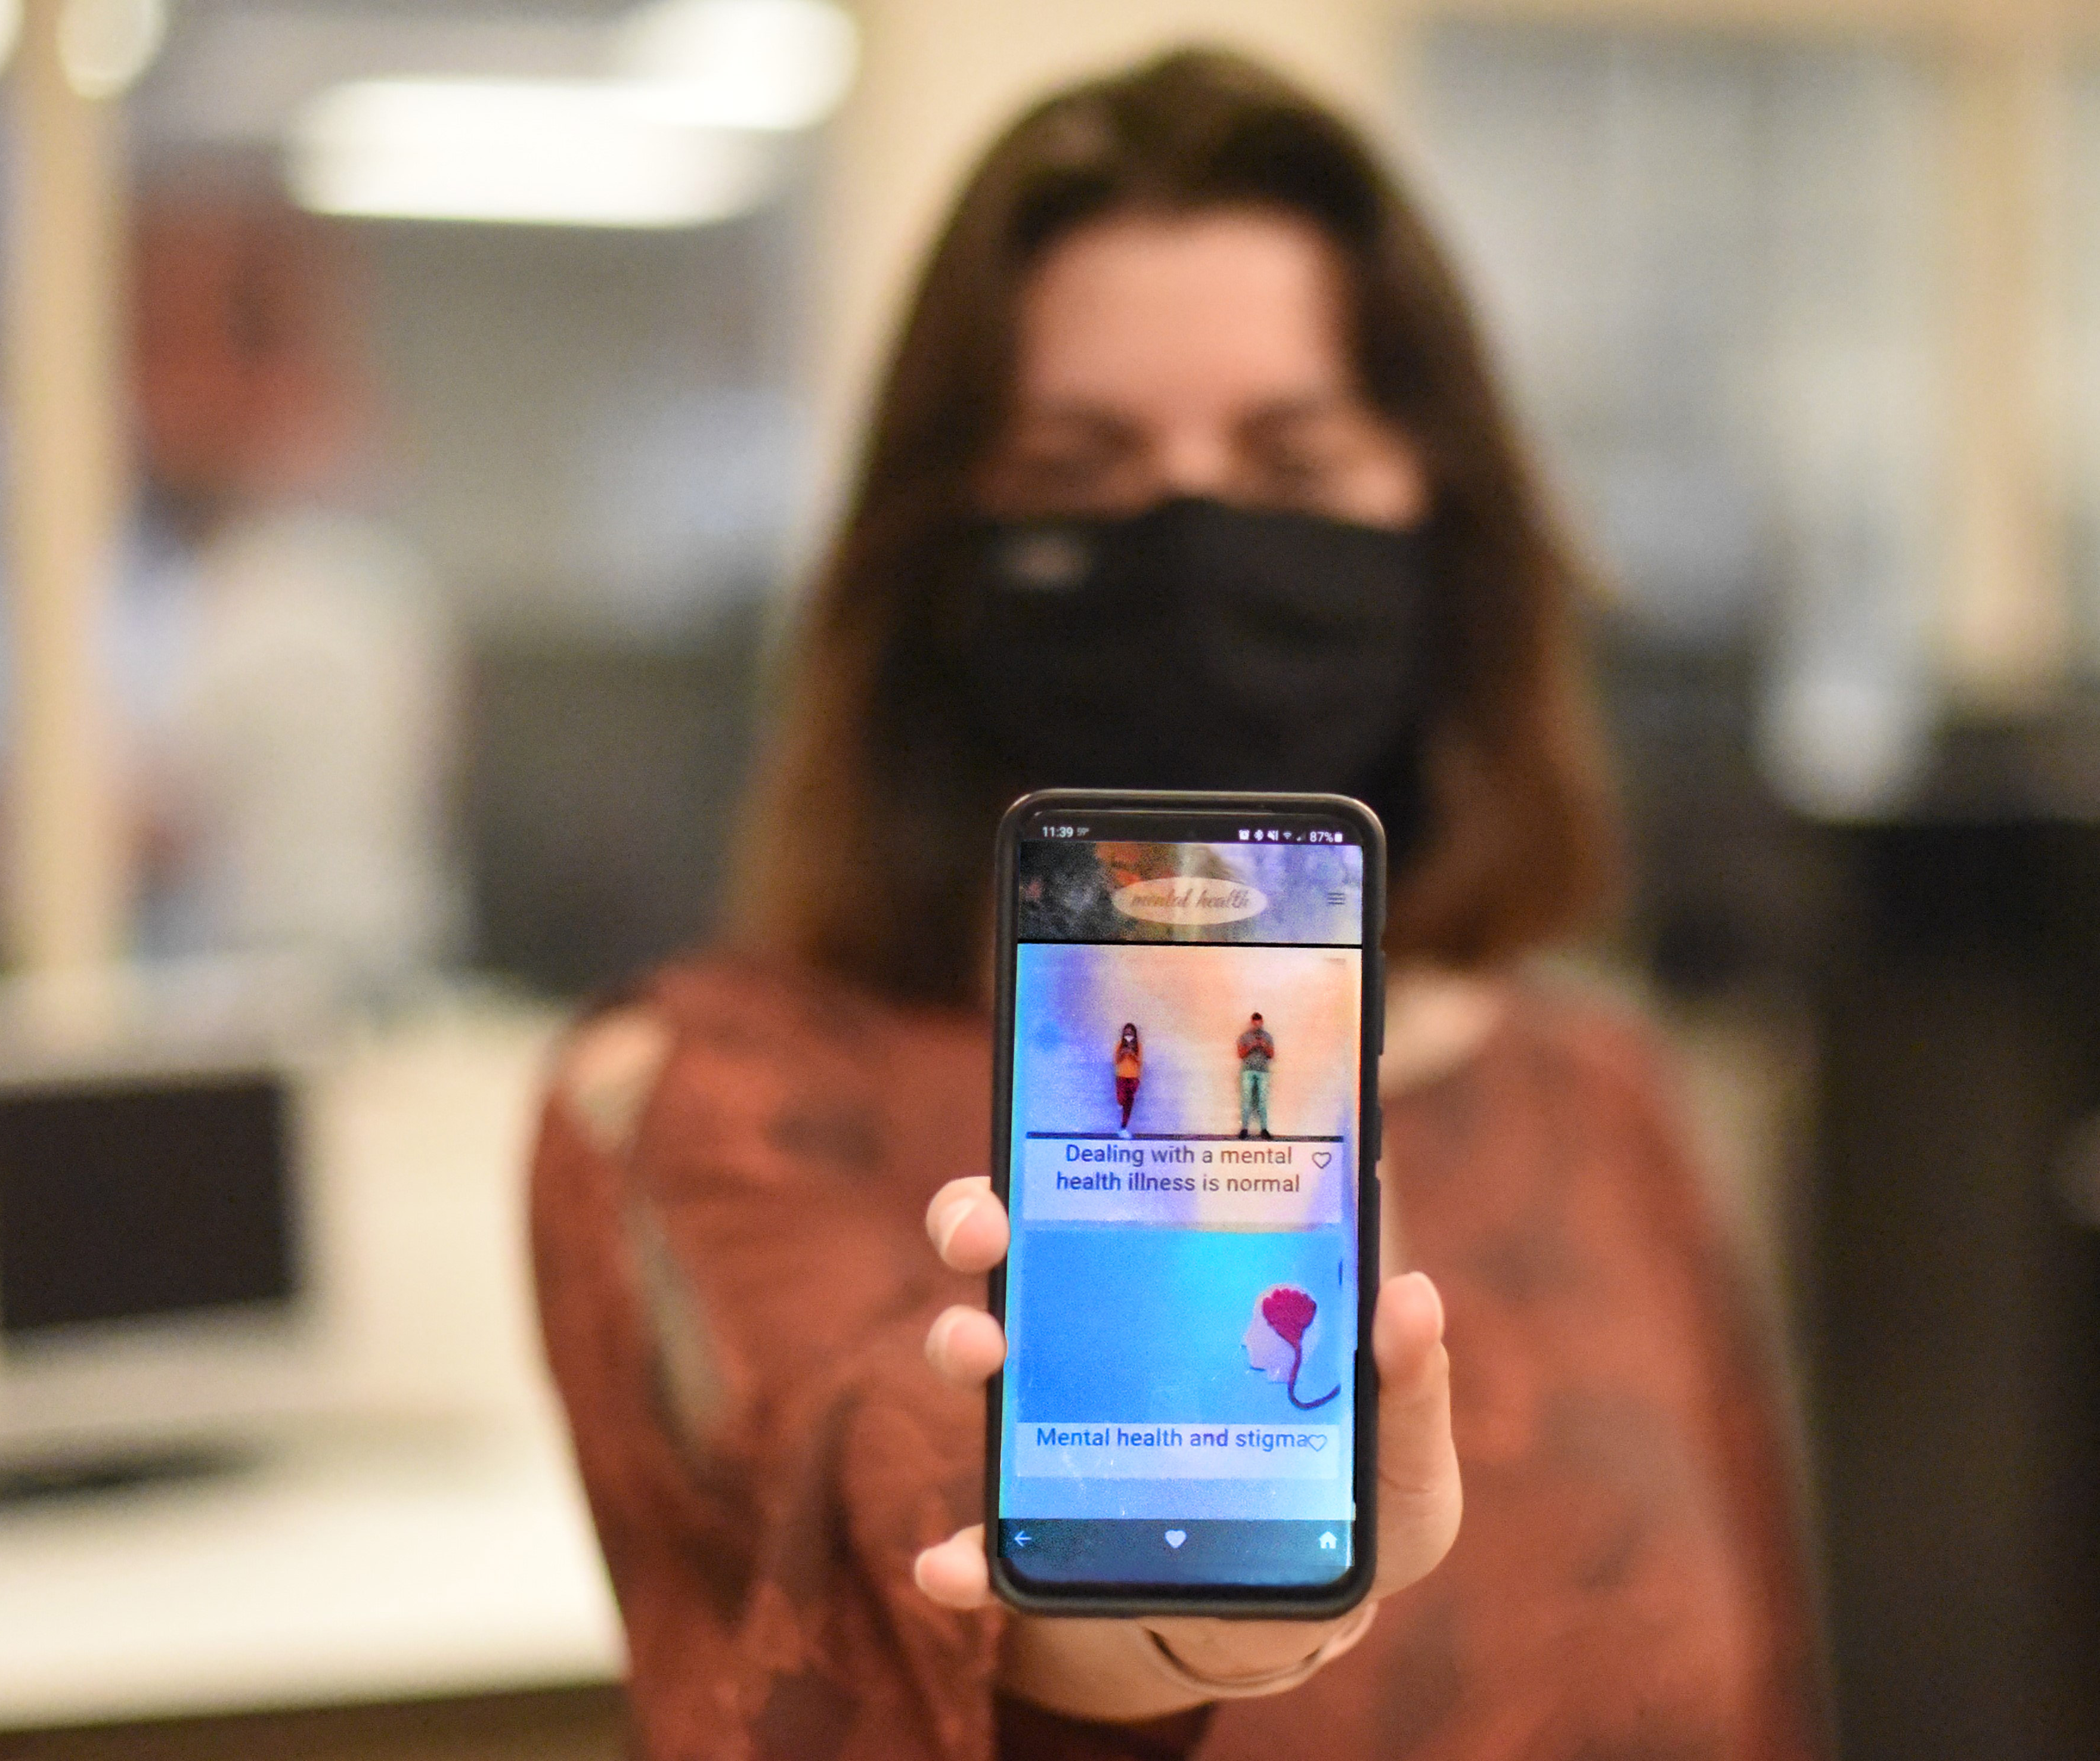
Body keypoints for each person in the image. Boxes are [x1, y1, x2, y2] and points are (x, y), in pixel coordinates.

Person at [529, 47, 1822, 1761]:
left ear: (1441, 536)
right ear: (940, 561)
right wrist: (1148, 1649)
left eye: (1290, 468)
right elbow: (854, 1562)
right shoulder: (702, 1102)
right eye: (1078, 477)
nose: (1192, 544)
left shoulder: (1596, 1093)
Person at [1235, 1012, 1274, 1139]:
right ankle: (1245, 1129)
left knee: (1262, 1101)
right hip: (1248, 1070)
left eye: (1259, 1023)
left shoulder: (1267, 1037)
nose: (1257, 1025)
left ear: (1262, 1023)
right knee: (1247, 1100)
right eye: (1255, 1023)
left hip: (1263, 1071)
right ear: (1252, 1023)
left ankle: (1264, 1129)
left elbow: (1271, 1055)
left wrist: (1263, 1045)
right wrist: (1252, 1046)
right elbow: (1241, 1055)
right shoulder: (1245, 1037)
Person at [1113, 1022, 1145, 1131]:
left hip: (1134, 1078)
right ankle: (1120, 1103)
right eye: (1126, 1033)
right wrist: (1123, 1053)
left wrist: (1132, 1054)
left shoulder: (1138, 1046)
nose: (1128, 1035)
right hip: (1121, 1076)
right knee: (1121, 1098)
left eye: (1131, 1033)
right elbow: (1116, 1061)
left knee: (1129, 1103)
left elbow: (1140, 1062)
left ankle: (1124, 1126)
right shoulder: (1119, 1045)